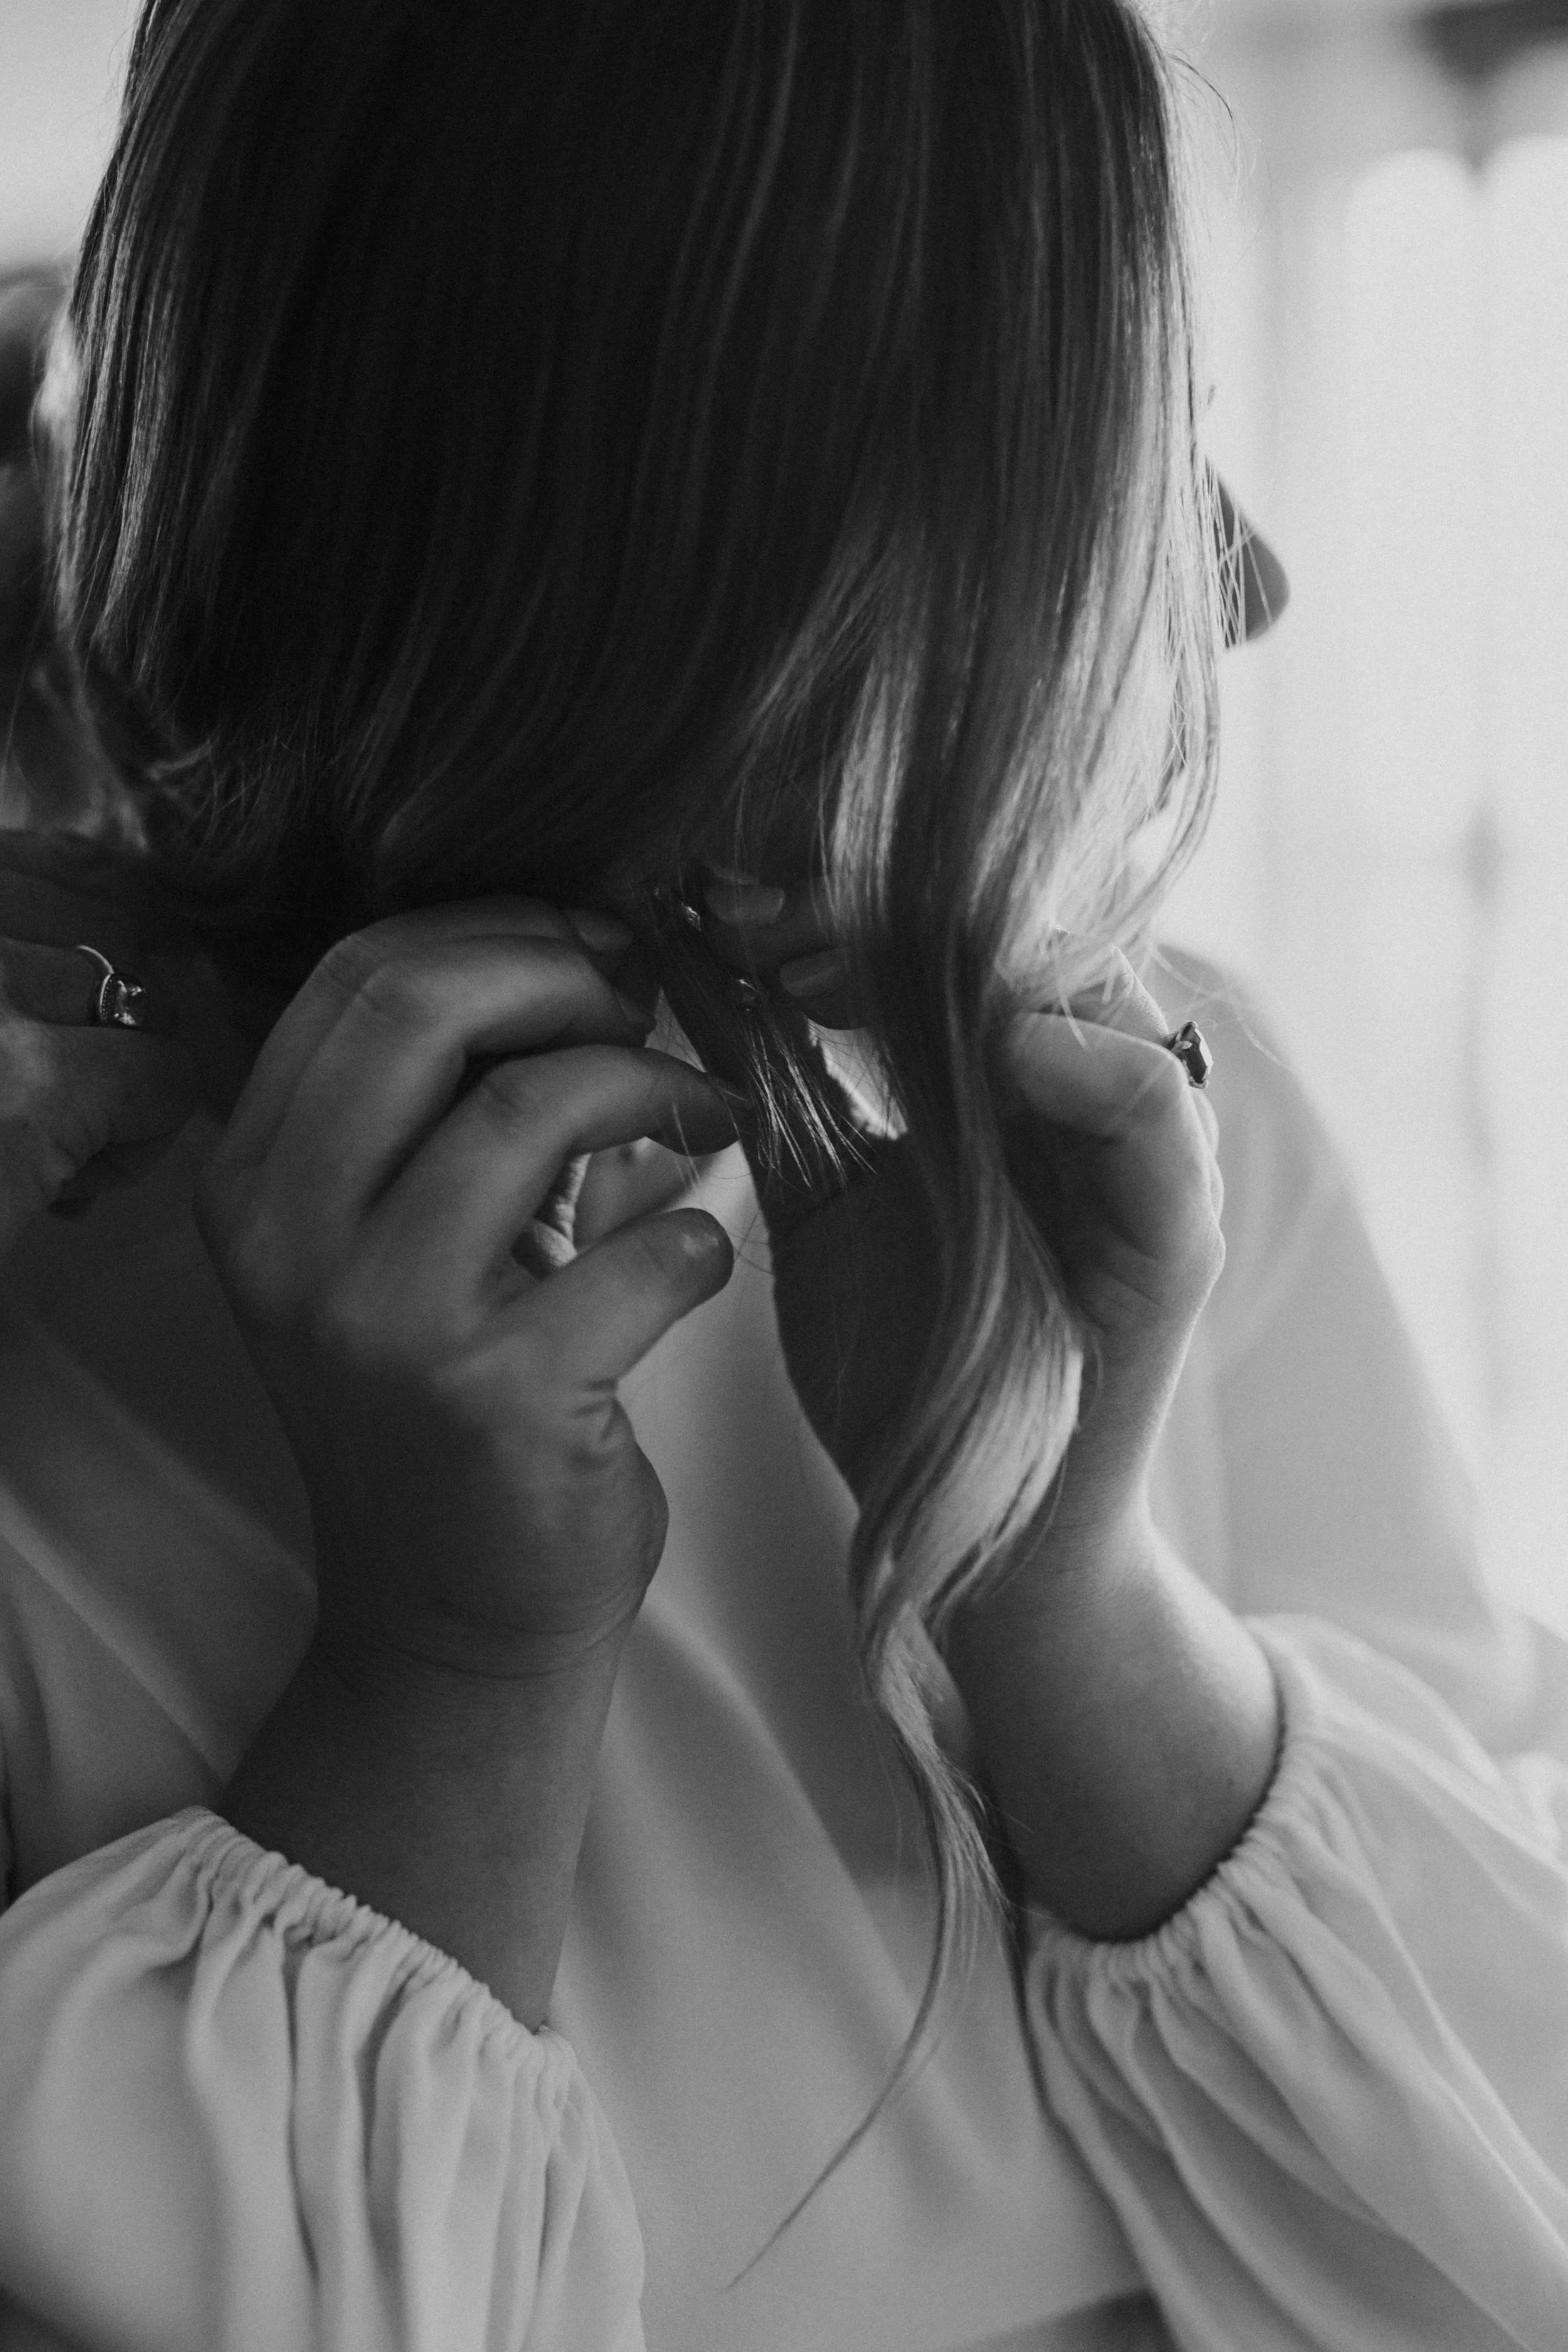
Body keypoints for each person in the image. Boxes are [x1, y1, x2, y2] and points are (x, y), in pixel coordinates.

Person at [1, 4, 1566, 2348]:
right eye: (1108, 469)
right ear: (671, 569)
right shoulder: (47, 1396)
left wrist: (1062, 1586)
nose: (1234, 586)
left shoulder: (1172, 1127)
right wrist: (449, 1665)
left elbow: (1498, 2219)